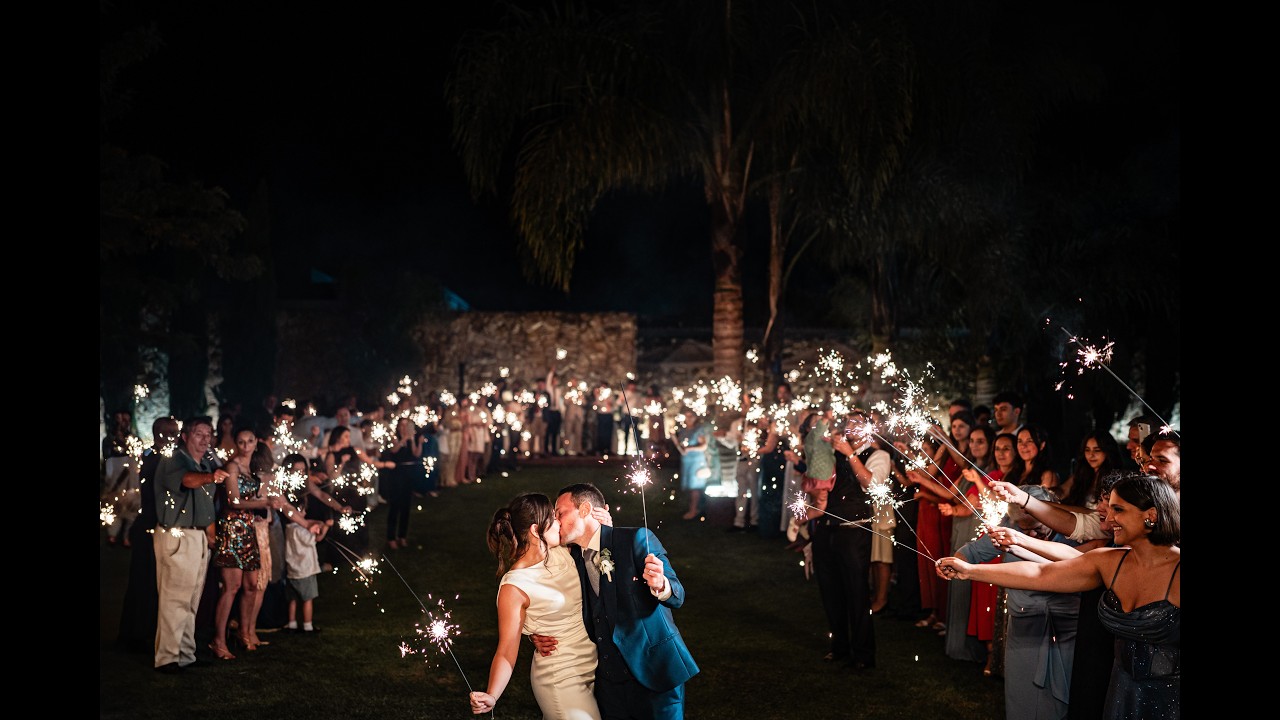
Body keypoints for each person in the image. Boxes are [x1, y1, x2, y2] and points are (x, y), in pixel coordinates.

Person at [937, 474, 1179, 719]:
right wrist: (971, 571)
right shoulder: (1110, 562)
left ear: (1151, 515)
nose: (1109, 518)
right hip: (1121, 694)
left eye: (1119, 509)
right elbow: (1041, 573)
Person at [536, 483, 699, 720]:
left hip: (655, 674)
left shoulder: (635, 539)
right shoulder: (571, 560)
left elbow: (677, 595)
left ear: (584, 509)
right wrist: (537, 632)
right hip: (609, 684)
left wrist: (661, 585)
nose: (556, 521)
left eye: (560, 513)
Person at [938, 484, 1081, 719]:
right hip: (1023, 627)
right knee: (1022, 695)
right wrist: (955, 561)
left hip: (1064, 630)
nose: (1031, 536)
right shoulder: (1009, 527)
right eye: (1025, 530)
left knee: (1060, 699)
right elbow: (972, 552)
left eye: (1037, 529)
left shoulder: (1073, 534)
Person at [469, 493, 601, 720]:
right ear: (534, 529)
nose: (559, 521)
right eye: (552, 517)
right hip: (560, 678)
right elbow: (507, 648)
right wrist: (492, 694)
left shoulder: (562, 551)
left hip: (594, 668)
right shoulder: (515, 586)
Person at [804, 409, 885, 671]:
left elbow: (871, 485)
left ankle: (863, 654)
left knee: (856, 593)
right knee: (830, 591)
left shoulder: (878, 455)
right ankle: (838, 647)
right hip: (827, 529)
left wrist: (850, 454)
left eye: (858, 423)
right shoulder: (834, 452)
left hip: (854, 531)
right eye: (848, 422)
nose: (851, 427)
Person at [153, 416, 231, 673]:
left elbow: (205, 505)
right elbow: (187, 481)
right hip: (177, 535)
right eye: (199, 434)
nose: (205, 439)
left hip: (197, 536)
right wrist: (210, 478)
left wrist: (210, 535)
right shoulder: (174, 459)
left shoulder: (206, 463)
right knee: (175, 598)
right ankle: (167, 657)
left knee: (191, 600)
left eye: (209, 434)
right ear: (185, 436)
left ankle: (186, 654)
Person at [116, 415, 179, 653]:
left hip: (159, 524)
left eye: (175, 432)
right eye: (169, 432)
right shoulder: (151, 458)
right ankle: (137, 633)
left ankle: (146, 631)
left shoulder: (164, 458)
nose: (173, 437)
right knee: (144, 581)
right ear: (157, 434)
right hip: (149, 526)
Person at [209, 427, 272, 659]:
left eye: (250, 441)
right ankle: (218, 640)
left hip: (249, 530)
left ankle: (245, 633)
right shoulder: (232, 466)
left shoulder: (253, 469)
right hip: (232, 531)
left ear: (257, 443)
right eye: (241, 442)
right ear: (236, 443)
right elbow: (234, 502)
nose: (245, 446)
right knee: (231, 587)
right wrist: (265, 503)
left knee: (251, 585)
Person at [381, 416, 423, 550]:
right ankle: (391, 537)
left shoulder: (412, 439)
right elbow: (394, 450)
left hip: (409, 475)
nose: (404, 428)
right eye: (402, 425)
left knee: (406, 507)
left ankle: (402, 536)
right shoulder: (394, 438)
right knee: (395, 507)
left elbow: (416, 454)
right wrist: (404, 439)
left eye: (407, 425)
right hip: (396, 475)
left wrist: (417, 442)